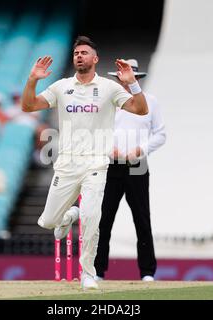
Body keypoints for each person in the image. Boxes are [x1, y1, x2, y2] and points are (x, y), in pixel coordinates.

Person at [22, 36, 149, 290]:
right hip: (66, 164)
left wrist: (132, 83)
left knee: (92, 219)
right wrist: (33, 79)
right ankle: (69, 214)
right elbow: (28, 106)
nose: (79, 56)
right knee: (48, 222)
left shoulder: (108, 88)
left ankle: (88, 274)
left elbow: (140, 109)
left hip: (96, 164)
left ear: (95, 59)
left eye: (84, 52)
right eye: (76, 53)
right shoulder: (61, 87)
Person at [94, 59, 166, 281]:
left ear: (137, 78)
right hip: (111, 166)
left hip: (137, 165)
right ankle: (97, 270)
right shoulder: (107, 103)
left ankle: (147, 272)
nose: (124, 82)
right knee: (103, 219)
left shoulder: (150, 102)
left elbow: (160, 134)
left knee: (142, 219)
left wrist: (140, 150)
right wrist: (109, 149)